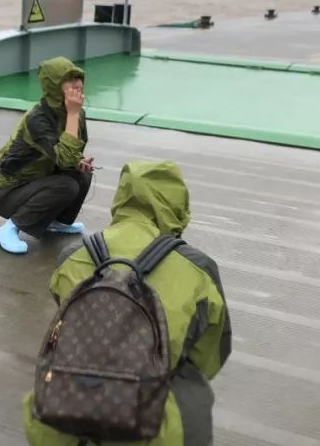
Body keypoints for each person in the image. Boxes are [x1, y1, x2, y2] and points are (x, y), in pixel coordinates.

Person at [22, 160, 232, 445]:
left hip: (63, 412)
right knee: (190, 382)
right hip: (148, 423)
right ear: (178, 205)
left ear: (121, 198)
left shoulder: (74, 255)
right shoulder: (197, 268)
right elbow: (210, 356)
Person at [0, 56, 95, 255]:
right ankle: (10, 228)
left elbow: (70, 156)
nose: (78, 84)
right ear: (54, 85)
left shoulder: (76, 113)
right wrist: (72, 114)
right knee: (66, 186)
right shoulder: (38, 118)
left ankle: (55, 221)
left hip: (36, 180)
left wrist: (79, 162)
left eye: (79, 78)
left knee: (83, 175)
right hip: (7, 190)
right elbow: (63, 158)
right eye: (70, 80)